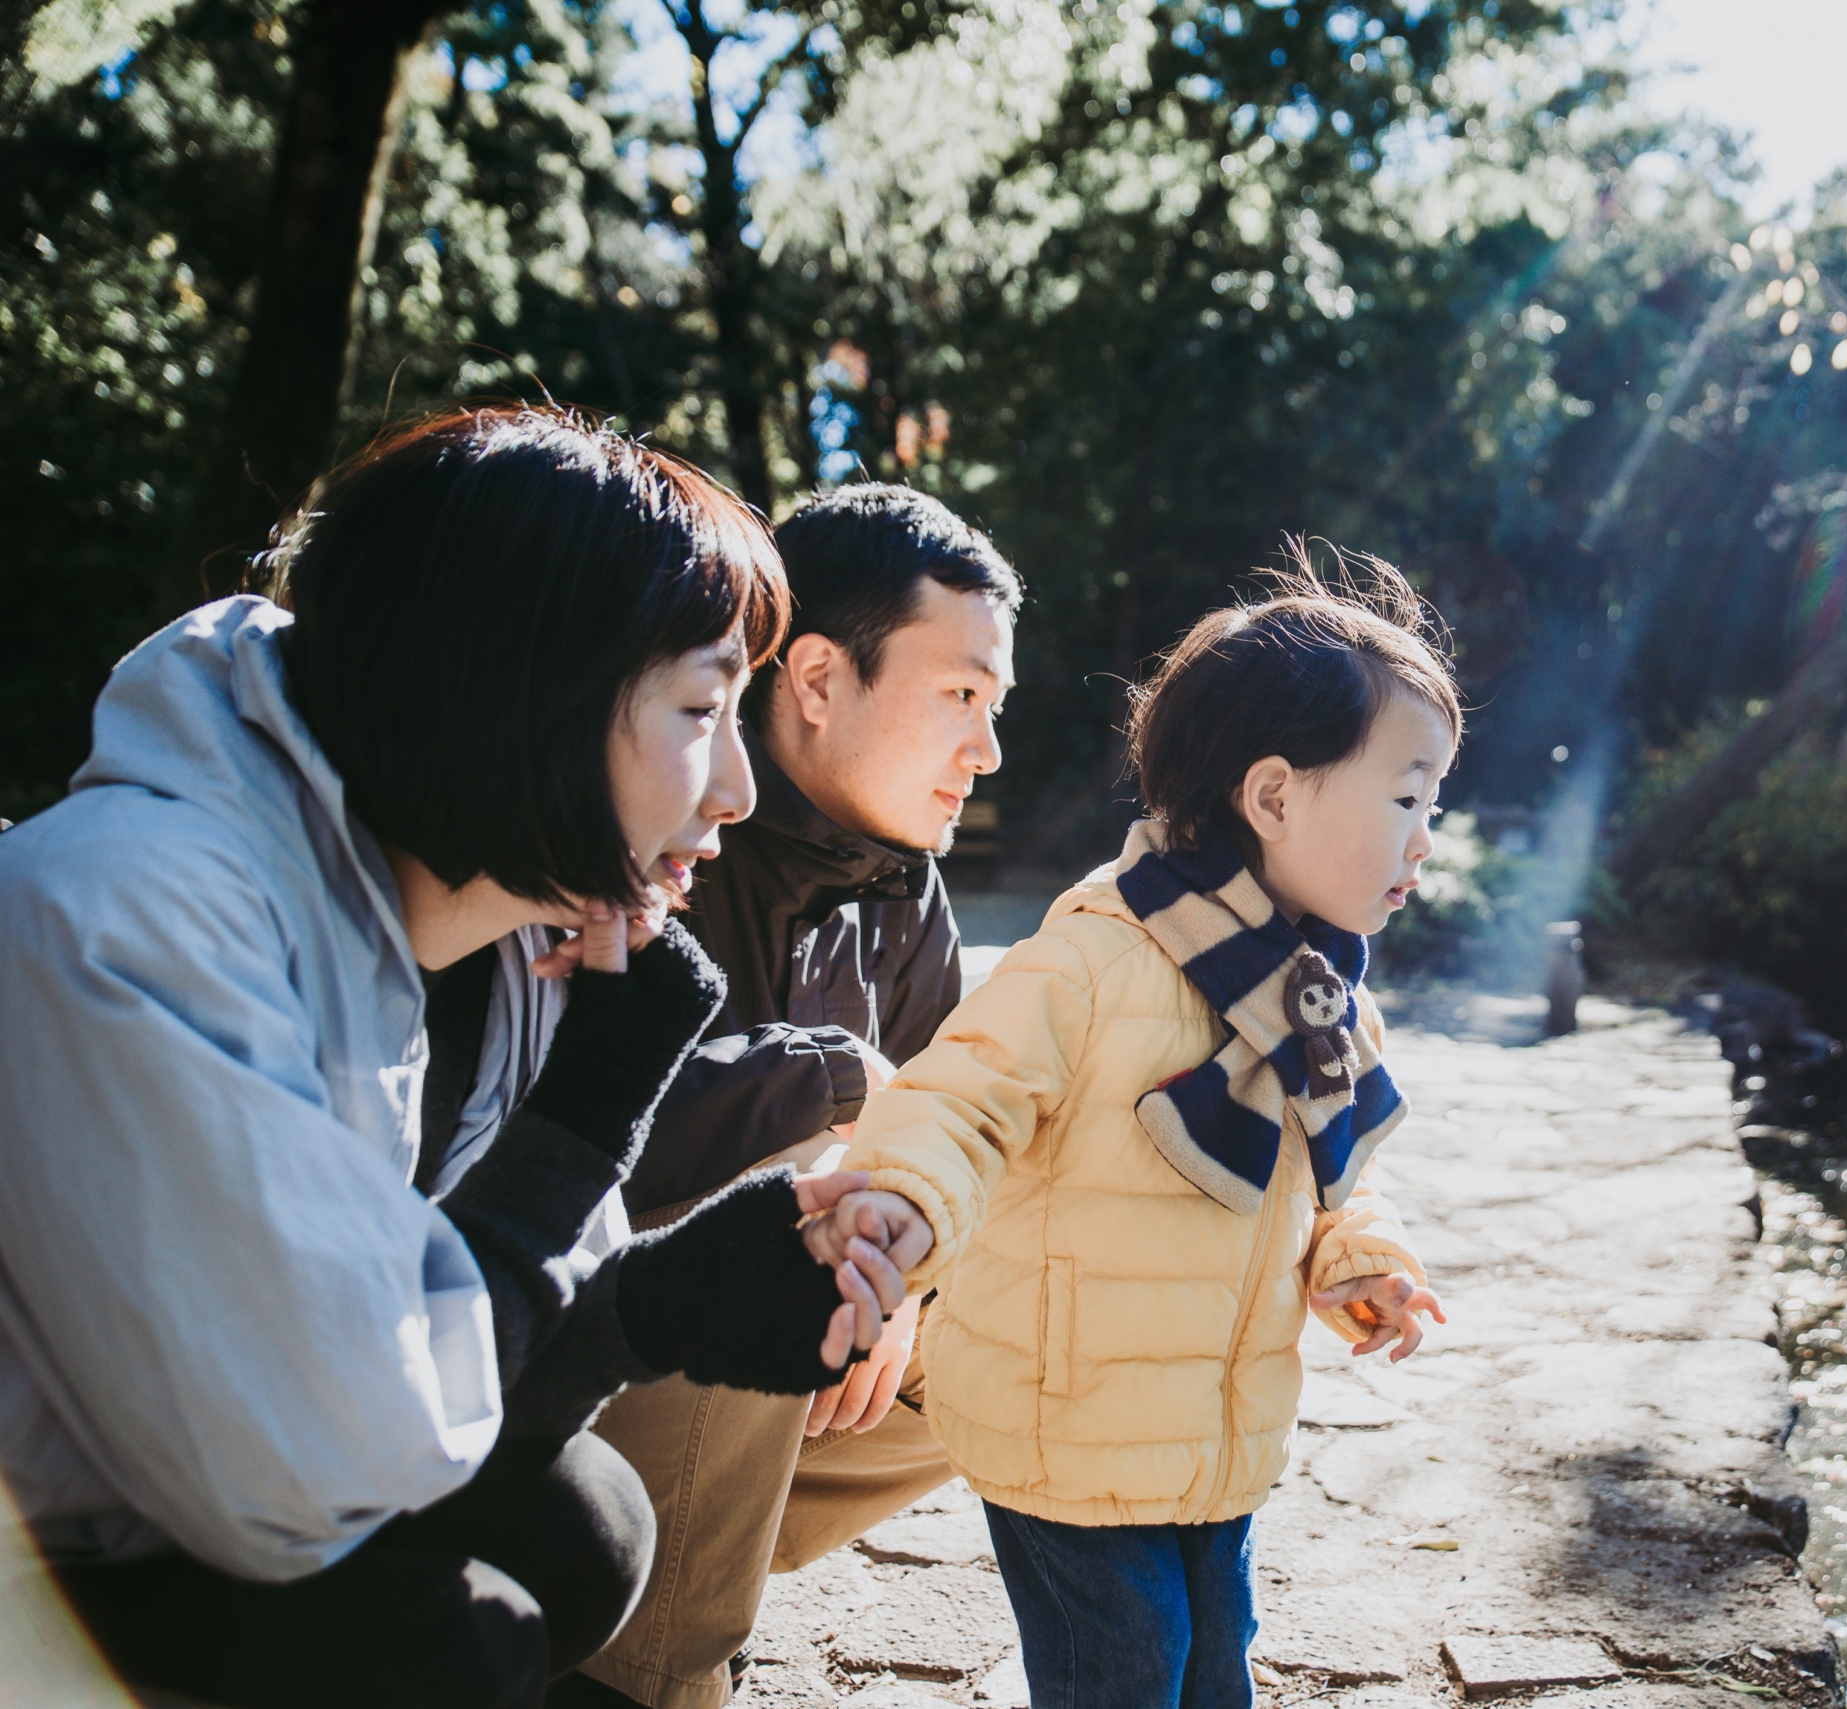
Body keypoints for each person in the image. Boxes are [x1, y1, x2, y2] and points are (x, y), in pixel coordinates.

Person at [0, 407, 908, 1709]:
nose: (737, 792)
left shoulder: (495, 923)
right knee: (436, 1641)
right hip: (67, 1543)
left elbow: (468, 1385)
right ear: (528, 688)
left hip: (165, 1511)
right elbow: (314, 1478)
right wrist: (587, 1122)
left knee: (587, 1525)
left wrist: (657, 1302)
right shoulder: (130, 921)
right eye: (704, 707)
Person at [808, 557, 1454, 1708]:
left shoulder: (1319, 995)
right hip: (1067, 1425)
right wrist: (899, 1199)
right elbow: (960, 1094)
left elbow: (1335, 1173)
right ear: (1273, 796)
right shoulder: (1095, 957)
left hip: (1212, 1431)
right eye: (1407, 797)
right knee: (1122, 1667)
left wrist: (1364, 1264)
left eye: (1434, 805)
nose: (1425, 838)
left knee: (1214, 1664)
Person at [566, 485, 1020, 1709]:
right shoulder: (658, 819)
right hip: (564, 1341)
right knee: (797, 1206)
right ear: (816, 680)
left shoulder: (901, 878)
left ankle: (650, 1570)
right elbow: (559, 1135)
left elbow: (957, 1125)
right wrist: (839, 1085)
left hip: (730, 1378)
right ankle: (646, 1669)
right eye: (962, 696)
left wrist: (911, 1279)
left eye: (996, 706)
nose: (986, 750)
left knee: (1032, 1315)